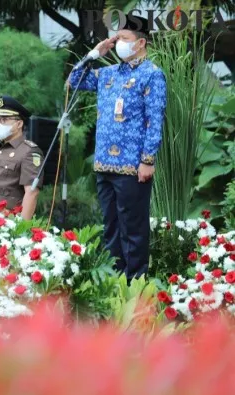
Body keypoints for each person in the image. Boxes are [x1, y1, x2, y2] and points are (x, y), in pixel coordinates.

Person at [68, 16, 166, 279]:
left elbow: (154, 119)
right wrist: (93, 54)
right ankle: (114, 281)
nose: (119, 43)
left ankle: (136, 284)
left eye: (124, 39)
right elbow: (74, 81)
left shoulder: (152, 74)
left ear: (141, 42)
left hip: (133, 166)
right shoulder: (107, 74)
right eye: (117, 38)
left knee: (133, 228)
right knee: (110, 227)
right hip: (103, 164)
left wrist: (148, 160)